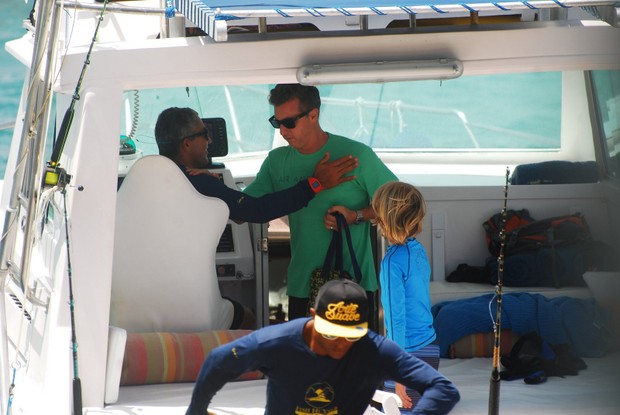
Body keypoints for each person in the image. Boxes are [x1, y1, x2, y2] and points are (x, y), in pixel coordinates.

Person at [185, 279, 460, 415]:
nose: (340, 344)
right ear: (314, 319)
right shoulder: (276, 342)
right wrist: (196, 411)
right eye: (331, 334)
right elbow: (217, 361)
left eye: (350, 336)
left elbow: (444, 389)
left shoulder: (376, 351)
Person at [243, 84, 398, 320]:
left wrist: (355, 216)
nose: (283, 131)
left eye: (289, 123)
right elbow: (243, 208)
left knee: (353, 358)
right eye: (277, 122)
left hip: (353, 286)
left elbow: (399, 203)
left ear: (313, 115)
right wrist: (209, 185)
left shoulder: (356, 156)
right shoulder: (276, 162)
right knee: (305, 357)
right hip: (302, 288)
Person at [154, 107, 359, 224]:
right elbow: (257, 210)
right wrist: (314, 183)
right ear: (187, 143)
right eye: (204, 135)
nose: (209, 141)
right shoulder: (199, 183)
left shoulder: (141, 183)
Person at [371, 181, 439, 412]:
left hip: (408, 354)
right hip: (430, 347)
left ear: (384, 221)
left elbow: (396, 319)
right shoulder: (417, 250)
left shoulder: (391, 263)